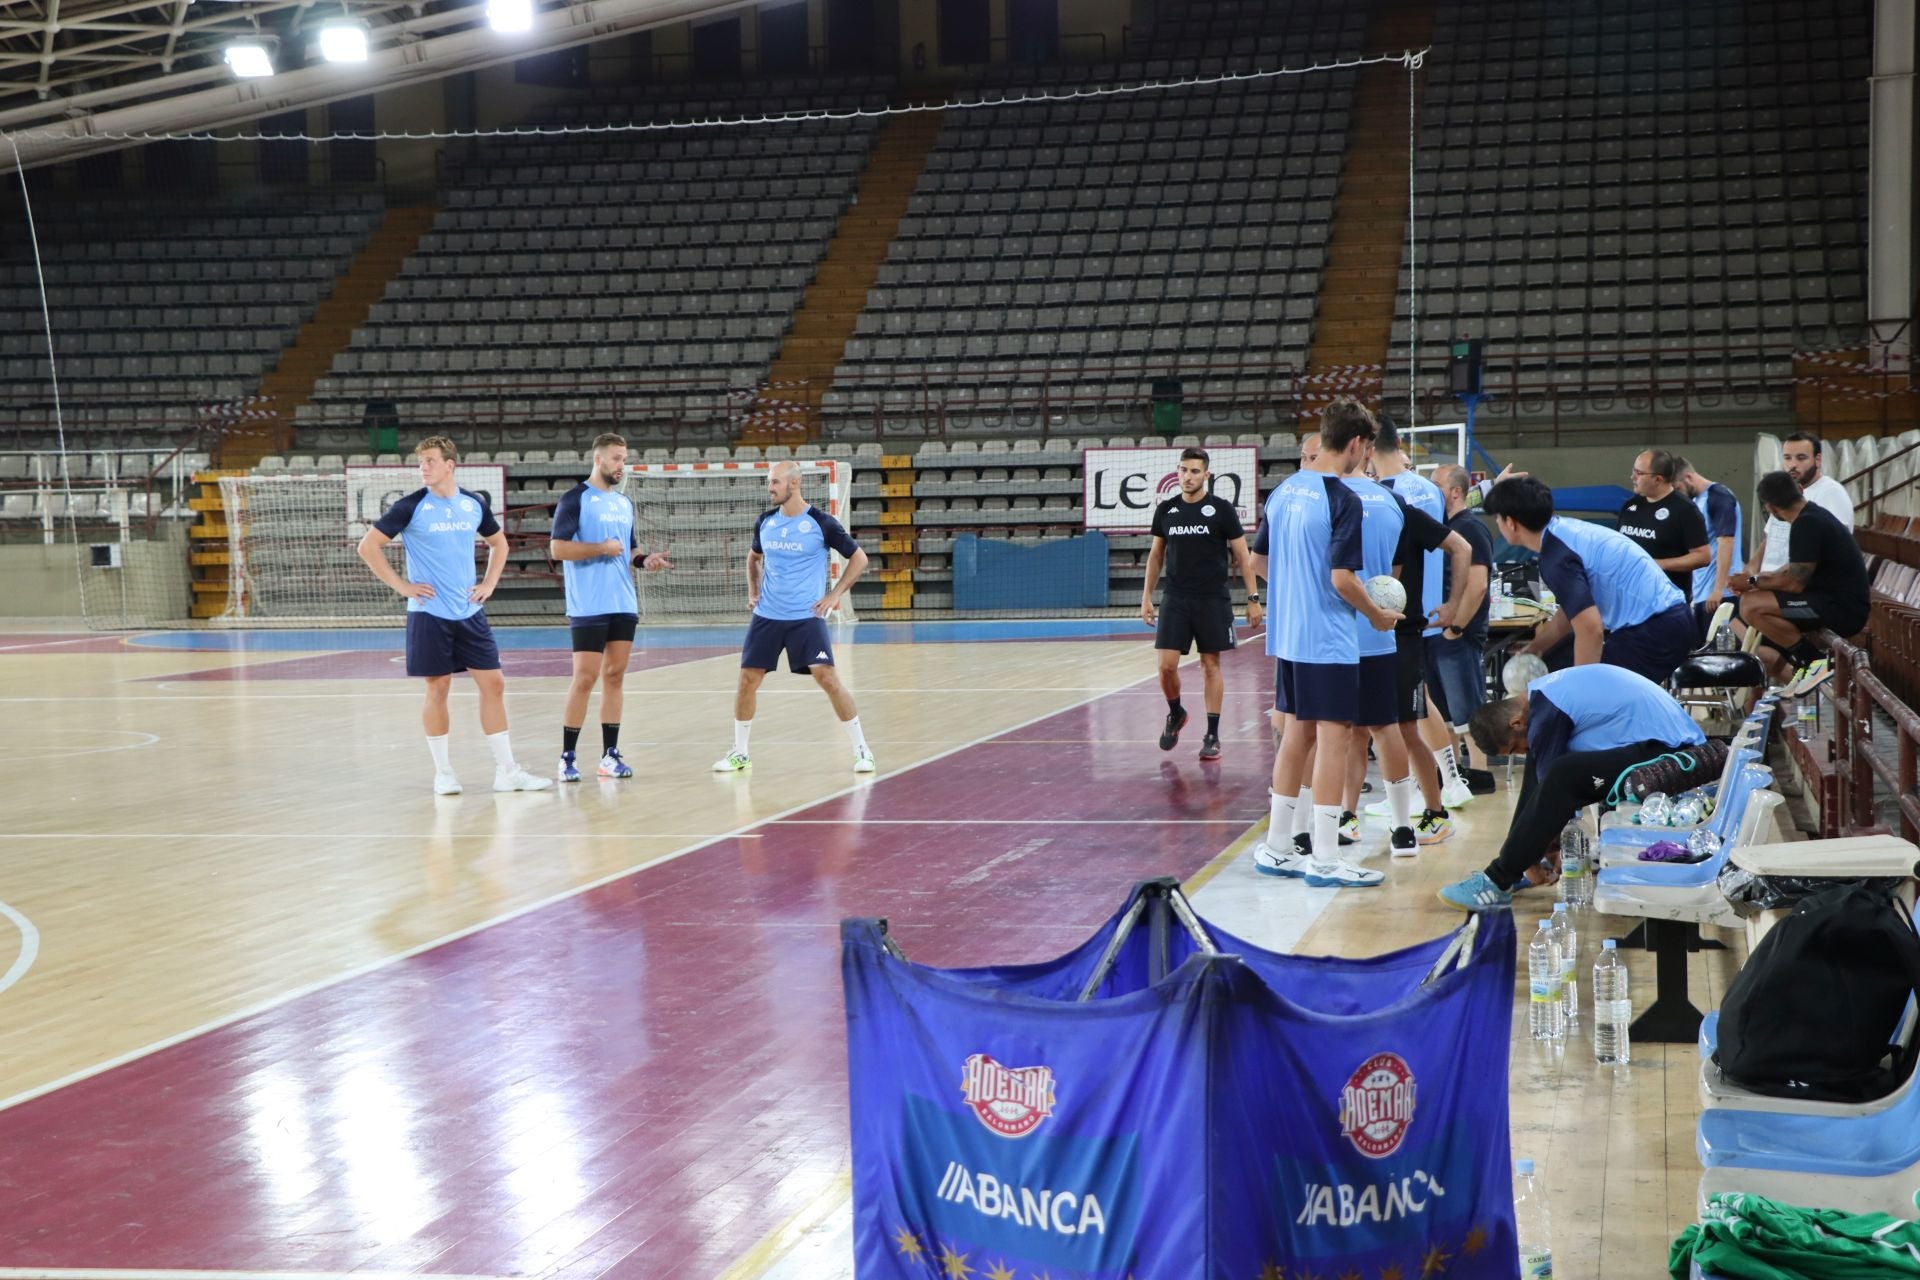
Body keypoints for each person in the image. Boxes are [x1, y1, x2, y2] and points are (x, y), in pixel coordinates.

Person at [1249, 401, 1402, 887]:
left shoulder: (1283, 492)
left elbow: (1258, 561)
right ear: (1357, 445)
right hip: (1329, 641)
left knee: (1296, 736)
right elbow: (1341, 579)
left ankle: (1277, 848)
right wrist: (1376, 614)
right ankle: (1326, 858)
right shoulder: (1343, 499)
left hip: (1289, 637)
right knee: (1334, 740)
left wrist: (1295, 592)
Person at [355, 435, 552, 795]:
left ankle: (507, 772)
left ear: (450, 465)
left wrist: (489, 583)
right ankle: (443, 772)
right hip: (429, 614)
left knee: (494, 684)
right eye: (420, 462)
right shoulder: (410, 506)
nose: (423, 468)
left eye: (430, 461)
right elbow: (367, 546)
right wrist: (402, 586)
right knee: (438, 688)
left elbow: (500, 543)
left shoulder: (473, 503)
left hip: (469, 612)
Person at [1437, 665, 1706, 910]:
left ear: (1516, 722)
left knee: (1562, 775)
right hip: (1662, 745)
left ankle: (1498, 878)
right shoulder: (1543, 697)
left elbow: (1554, 788)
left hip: (1678, 754)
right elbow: (1541, 786)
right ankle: (1511, 868)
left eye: (1515, 747)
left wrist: (1542, 849)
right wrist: (1545, 849)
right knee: (1545, 766)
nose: (1521, 751)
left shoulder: (1547, 712)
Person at [1345, 422, 1474, 853]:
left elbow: (1462, 548)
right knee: (1356, 728)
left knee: (1404, 724)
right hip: (1361, 633)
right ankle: (1348, 816)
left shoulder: (1399, 506)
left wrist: (1454, 605)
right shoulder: (1348, 509)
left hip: (1404, 635)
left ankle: (1434, 811)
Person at [714, 460, 875, 774]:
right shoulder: (765, 521)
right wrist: (753, 590)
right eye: (769, 482)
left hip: (805, 617)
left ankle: (862, 750)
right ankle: (740, 754)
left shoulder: (822, 523)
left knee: (827, 678)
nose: (770, 487)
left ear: (794, 483)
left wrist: (835, 594)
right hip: (767, 617)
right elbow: (753, 558)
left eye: (775, 482)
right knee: (747, 681)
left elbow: (859, 558)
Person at [548, 433, 673, 782]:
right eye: (616, 458)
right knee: (585, 679)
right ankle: (567, 757)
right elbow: (558, 549)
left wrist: (646, 559)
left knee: (614, 677)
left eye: (624, 459)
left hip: (623, 602)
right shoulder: (575, 499)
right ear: (598, 459)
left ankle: (609, 755)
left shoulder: (623, 503)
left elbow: (629, 550)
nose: (622, 465)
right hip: (589, 604)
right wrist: (600, 548)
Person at [1486, 475, 1695, 683]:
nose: (1497, 523)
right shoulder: (1563, 532)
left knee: (1580, 690)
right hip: (1670, 622)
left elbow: (1591, 629)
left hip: (1657, 630)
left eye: (1498, 518)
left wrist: (1583, 692)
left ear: (1511, 523)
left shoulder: (1557, 557)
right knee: (1557, 660)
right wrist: (1537, 647)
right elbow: (1572, 612)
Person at [1141, 447, 1263, 759]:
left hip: (1212, 599)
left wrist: (1253, 599)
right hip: (1176, 598)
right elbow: (1156, 556)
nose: (1188, 476)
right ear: (1177, 472)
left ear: (1206, 475)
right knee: (1166, 667)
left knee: (1211, 665)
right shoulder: (1166, 510)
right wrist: (1146, 598)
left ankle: (1212, 735)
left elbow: (1242, 555)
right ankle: (1176, 712)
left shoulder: (1221, 509)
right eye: (1183, 470)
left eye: (1195, 471)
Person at [1730, 469, 1871, 679]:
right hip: (1832, 601)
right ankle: (1805, 658)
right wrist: (1752, 582)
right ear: (1799, 489)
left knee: (1751, 606)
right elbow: (1790, 568)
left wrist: (1751, 580)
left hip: (1842, 609)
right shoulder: (1811, 516)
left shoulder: (1807, 524)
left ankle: (1811, 660)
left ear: (1770, 507)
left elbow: (1793, 583)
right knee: (1752, 599)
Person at [1427, 463, 1497, 799]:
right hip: (1438, 633)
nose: (1430, 490)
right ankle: (1452, 776)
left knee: (1467, 709)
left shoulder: (1470, 528)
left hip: (1459, 634)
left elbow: (1478, 584)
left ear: (1455, 491)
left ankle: (1480, 774)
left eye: (1436, 484)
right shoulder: (1444, 528)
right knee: (1444, 713)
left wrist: (1456, 627)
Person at [1750, 431, 1856, 577]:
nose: (1792, 465)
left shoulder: (1832, 492)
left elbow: (1829, 549)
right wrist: (1749, 572)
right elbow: (1770, 537)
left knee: (1749, 601)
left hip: (1802, 585)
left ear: (1817, 460)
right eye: (1787, 458)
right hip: (1771, 580)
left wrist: (1759, 579)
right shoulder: (1784, 490)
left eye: (1801, 458)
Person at [1616, 448, 1710, 600]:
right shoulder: (1630, 506)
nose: (1632, 477)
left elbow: (1703, 556)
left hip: (1666, 601)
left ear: (1658, 479)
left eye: (1639, 473)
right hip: (1629, 598)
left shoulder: (1685, 510)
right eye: (1634, 471)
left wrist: (1658, 564)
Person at [1675, 457, 1742, 637]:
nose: (1678, 495)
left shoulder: (1719, 497)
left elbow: (1726, 542)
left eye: (1678, 489)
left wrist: (1718, 588)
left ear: (1688, 477)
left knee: (1723, 655)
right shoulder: (1696, 502)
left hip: (1721, 594)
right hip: (1702, 595)